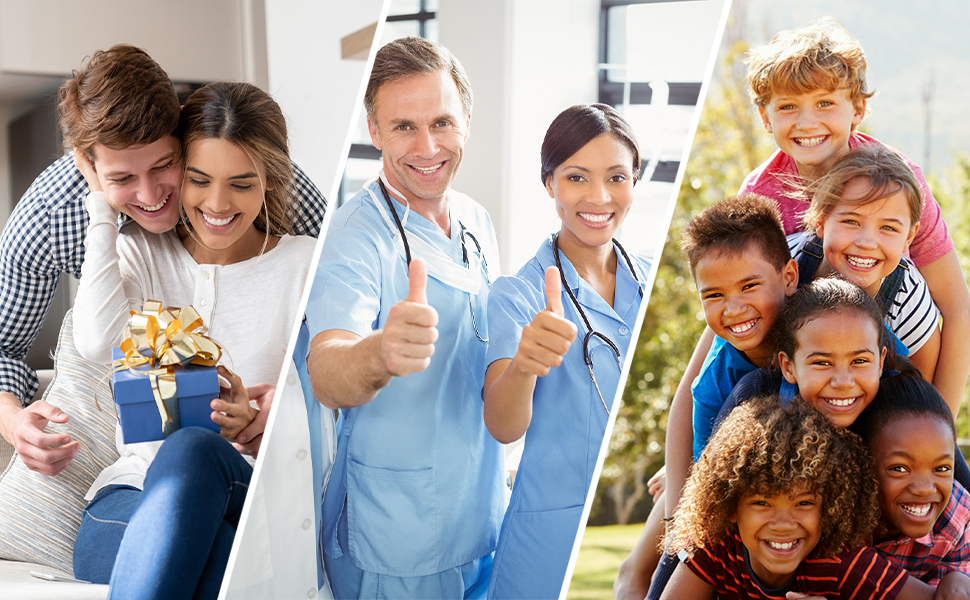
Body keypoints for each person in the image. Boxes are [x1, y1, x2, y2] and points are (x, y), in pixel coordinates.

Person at [0, 44, 326, 477]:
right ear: (88, 165)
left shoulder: (262, 182)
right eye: (121, 178)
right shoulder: (49, 215)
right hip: (138, 466)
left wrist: (288, 409)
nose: (151, 196)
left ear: (182, 129)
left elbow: (338, 311)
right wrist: (13, 421)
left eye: (165, 166)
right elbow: (5, 345)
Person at [69, 81, 316, 599]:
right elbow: (95, 343)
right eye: (199, 180)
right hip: (129, 498)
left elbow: (331, 408)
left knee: (191, 450)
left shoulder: (305, 265)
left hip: (244, 486)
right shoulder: (139, 255)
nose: (217, 204)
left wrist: (273, 417)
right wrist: (100, 205)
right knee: (209, 553)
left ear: (269, 182)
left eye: (242, 185)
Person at [303, 37, 505, 600]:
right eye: (404, 127)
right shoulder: (353, 237)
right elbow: (327, 368)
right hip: (399, 533)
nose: (428, 146)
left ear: (466, 119)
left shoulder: (476, 221)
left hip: (479, 511)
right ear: (373, 130)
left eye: (442, 122)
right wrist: (379, 353)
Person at [741, 18, 968, 413]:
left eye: (825, 103)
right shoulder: (761, 195)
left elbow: (956, 306)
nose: (807, 122)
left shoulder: (899, 184)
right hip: (799, 376)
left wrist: (937, 426)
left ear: (858, 108)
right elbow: (737, 304)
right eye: (789, 106)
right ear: (765, 116)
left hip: (895, 369)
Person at [482, 104, 650, 600]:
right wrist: (525, 367)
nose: (599, 197)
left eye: (617, 177)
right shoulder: (517, 295)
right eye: (577, 177)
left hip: (644, 534)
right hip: (545, 543)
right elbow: (502, 425)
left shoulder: (652, 276)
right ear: (549, 183)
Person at [660, 394, 962, 600]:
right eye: (762, 503)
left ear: (829, 508)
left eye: (804, 503)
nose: (783, 523)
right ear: (731, 508)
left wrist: (955, 582)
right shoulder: (714, 549)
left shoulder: (839, 561)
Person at [790, 145, 941, 395]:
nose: (867, 243)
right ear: (821, 220)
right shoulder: (789, 263)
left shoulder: (908, 298)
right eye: (851, 221)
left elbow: (920, 399)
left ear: (908, 237)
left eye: (888, 228)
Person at [854, 374, 970, 592]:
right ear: (862, 464)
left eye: (942, 469)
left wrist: (956, 585)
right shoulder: (833, 517)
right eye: (899, 468)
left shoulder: (957, 521)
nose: (925, 488)